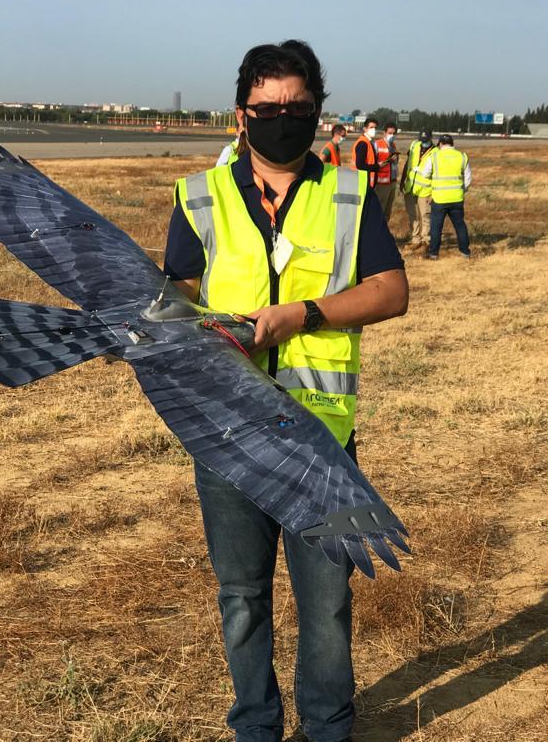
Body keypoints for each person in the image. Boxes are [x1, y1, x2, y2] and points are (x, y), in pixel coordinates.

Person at [163, 40, 409, 742]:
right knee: (242, 597)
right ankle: (256, 729)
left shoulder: (348, 193)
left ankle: (329, 729)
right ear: (241, 115)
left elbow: (391, 290)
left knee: (327, 601)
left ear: (316, 112)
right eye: (268, 108)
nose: (283, 119)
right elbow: (179, 288)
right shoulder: (199, 195)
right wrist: (168, 325)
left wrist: (304, 314)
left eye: (297, 108)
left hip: (321, 439)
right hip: (227, 434)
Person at [417, 133, 472, 259]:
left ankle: (434, 253)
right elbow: (468, 179)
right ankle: (465, 252)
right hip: (457, 198)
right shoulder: (462, 156)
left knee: (436, 227)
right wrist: (461, 190)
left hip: (439, 198)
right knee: (460, 225)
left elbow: (425, 174)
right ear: (452, 144)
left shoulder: (434, 156)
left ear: (440, 144)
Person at [399, 129, 435, 251]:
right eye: (422, 140)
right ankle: (415, 238)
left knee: (425, 216)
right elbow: (407, 164)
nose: (423, 142)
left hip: (425, 190)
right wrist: (402, 180)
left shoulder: (435, 152)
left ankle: (426, 240)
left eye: (425, 140)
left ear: (431, 138)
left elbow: (436, 174)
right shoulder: (414, 145)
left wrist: (434, 192)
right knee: (412, 215)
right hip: (410, 187)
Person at [352, 117, 391, 190]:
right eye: (371, 127)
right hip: (362, 183)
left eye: (375, 128)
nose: (374, 130)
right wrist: (377, 166)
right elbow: (360, 165)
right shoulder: (363, 143)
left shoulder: (369, 142)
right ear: (365, 129)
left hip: (367, 183)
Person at [373, 123, 399, 220]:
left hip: (392, 182)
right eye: (390, 133)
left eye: (394, 133)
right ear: (384, 133)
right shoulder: (377, 144)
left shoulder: (393, 145)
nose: (392, 135)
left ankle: (384, 232)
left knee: (387, 212)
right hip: (381, 183)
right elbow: (373, 163)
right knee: (379, 211)